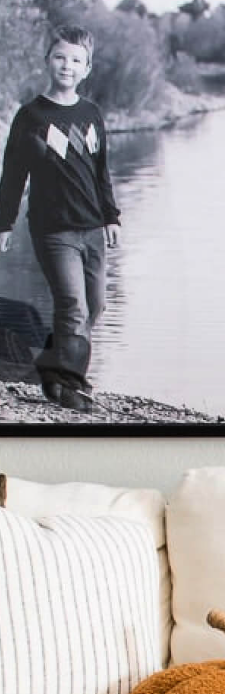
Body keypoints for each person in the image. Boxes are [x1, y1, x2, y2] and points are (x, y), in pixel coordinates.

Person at [0, 24, 120, 412]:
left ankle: (54, 369)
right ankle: (70, 385)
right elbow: (13, 174)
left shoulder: (91, 113)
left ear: (87, 68)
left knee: (96, 305)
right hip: (53, 230)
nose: (67, 66)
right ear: (47, 61)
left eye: (76, 60)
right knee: (73, 305)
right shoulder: (30, 116)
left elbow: (101, 170)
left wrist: (111, 216)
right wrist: (4, 223)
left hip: (93, 229)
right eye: (60, 57)